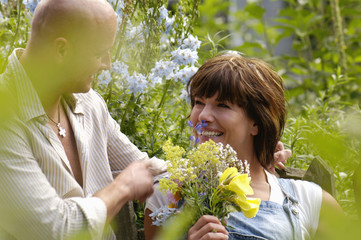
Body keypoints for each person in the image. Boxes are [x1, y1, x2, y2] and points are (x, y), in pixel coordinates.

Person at [0, 0, 165, 239]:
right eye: (99, 53)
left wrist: (220, 176)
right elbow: (57, 230)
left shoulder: (89, 103)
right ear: (62, 50)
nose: (107, 64)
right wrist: (122, 188)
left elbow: (147, 169)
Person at [144, 53, 342, 240]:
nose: (203, 116)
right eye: (199, 102)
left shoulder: (310, 200)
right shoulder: (167, 195)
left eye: (222, 105)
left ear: (256, 122)